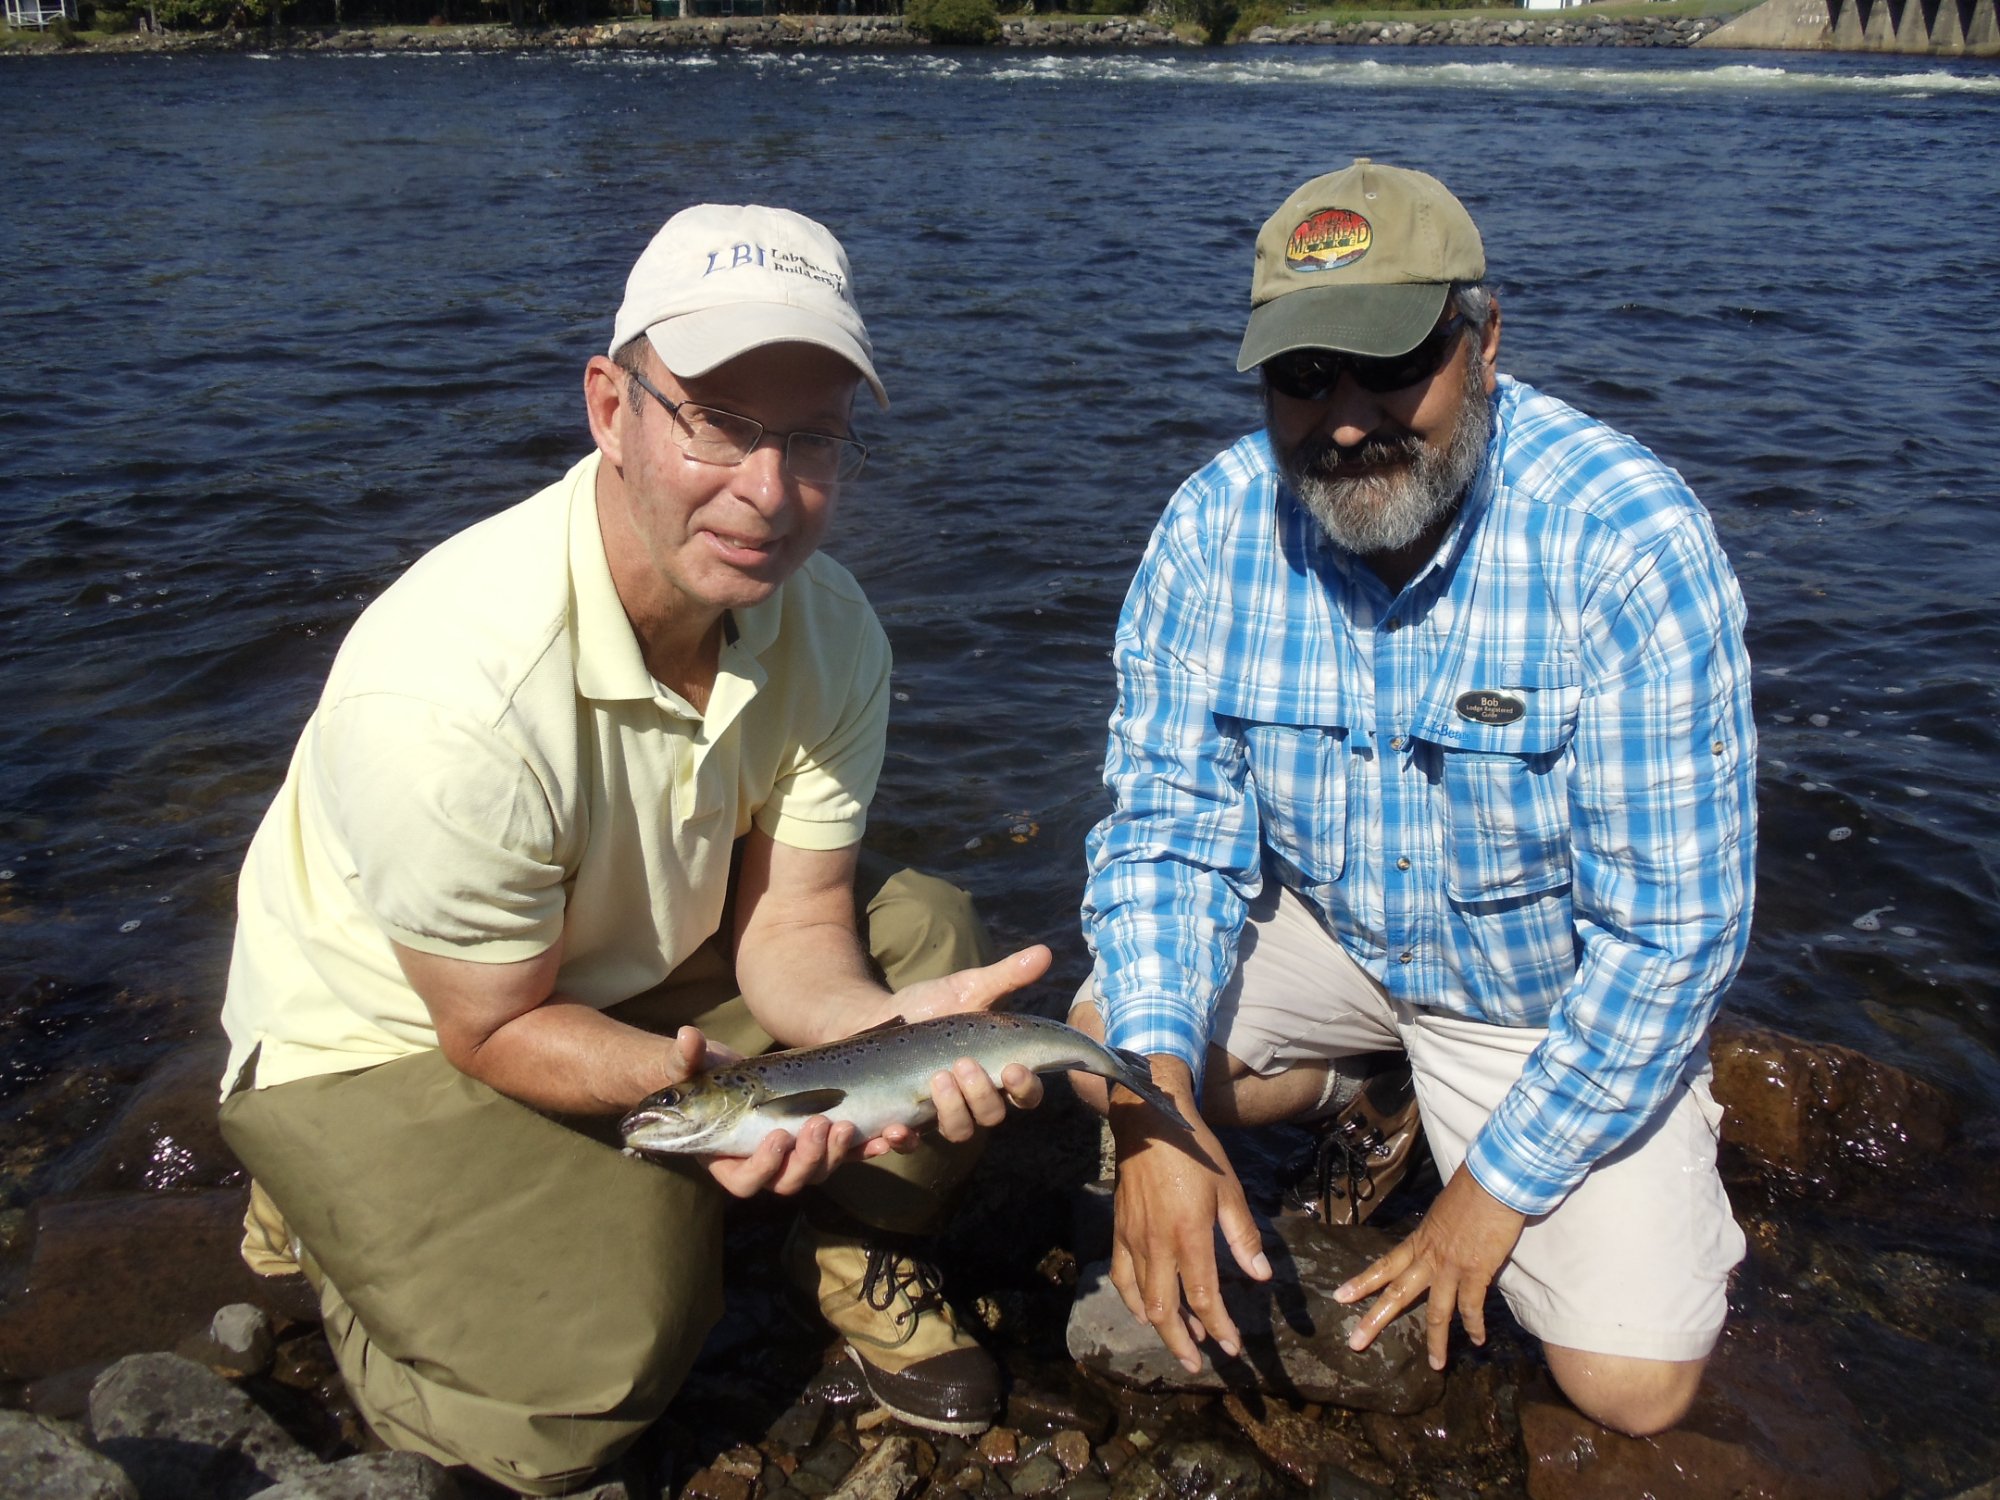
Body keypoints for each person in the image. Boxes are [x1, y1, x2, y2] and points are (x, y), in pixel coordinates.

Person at [216, 203, 1052, 1495]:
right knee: (586, 1389)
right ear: (611, 408)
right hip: (398, 1030)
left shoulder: (827, 625)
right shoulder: (452, 688)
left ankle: (839, 1240)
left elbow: (796, 924)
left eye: (814, 437)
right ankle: (327, 1227)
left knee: (929, 940)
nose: (770, 494)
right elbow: (490, 1029)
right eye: (718, 424)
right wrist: (725, 1107)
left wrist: (874, 1037)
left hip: (636, 963)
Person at [1070, 160, 1754, 1438]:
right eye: (1302, 376)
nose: (1343, 419)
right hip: (1336, 931)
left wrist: (1484, 1195)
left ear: (1482, 344)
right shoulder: (1208, 532)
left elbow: (1672, 936)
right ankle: (1363, 1087)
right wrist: (1151, 1118)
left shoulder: (1622, 543)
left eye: (1390, 368)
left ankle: (1493, 1115)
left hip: (1534, 985)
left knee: (1632, 1387)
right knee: (1101, 1036)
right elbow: (1166, 844)